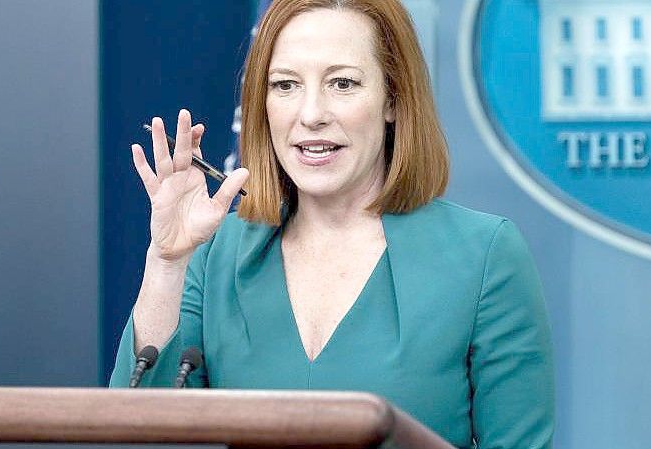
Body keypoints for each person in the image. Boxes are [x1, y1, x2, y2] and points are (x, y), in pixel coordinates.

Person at [109, 0, 555, 447]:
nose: (311, 114)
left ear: (393, 99)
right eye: (286, 85)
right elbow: (141, 434)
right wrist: (167, 262)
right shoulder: (215, 254)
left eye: (342, 83)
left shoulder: (484, 255)